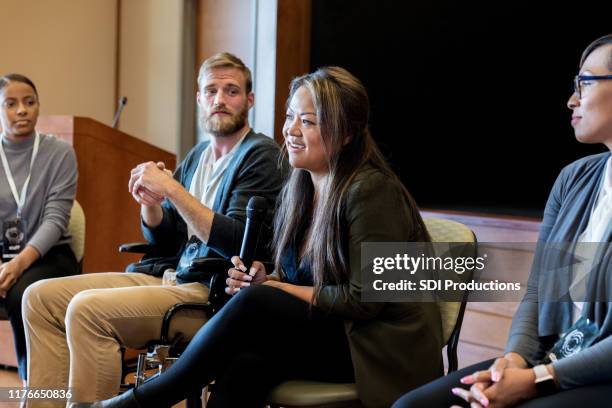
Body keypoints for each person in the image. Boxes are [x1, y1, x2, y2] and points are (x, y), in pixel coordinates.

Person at [76, 66, 444, 408]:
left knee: (257, 304)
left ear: (346, 133)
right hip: (335, 335)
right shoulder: (301, 186)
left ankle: (140, 402)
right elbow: (306, 279)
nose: (291, 130)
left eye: (308, 121)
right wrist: (269, 280)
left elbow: (365, 301)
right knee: (245, 365)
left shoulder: (373, 191)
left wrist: (274, 291)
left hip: (379, 349)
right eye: (289, 117)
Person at [22, 52, 286, 406]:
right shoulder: (197, 156)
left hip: (210, 292)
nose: (219, 100)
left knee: (86, 309)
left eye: (231, 91)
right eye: (210, 91)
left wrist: (172, 190)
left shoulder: (261, 155)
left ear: (250, 100)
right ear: (198, 99)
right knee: (39, 298)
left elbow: (236, 240)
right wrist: (149, 202)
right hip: (168, 275)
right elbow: (165, 238)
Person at [392, 33, 612, 408]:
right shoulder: (574, 179)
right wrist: (511, 361)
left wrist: (537, 379)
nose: (572, 99)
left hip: (596, 372)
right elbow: (540, 290)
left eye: (584, 83)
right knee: (411, 406)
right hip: (554, 357)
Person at [0, 73, 79, 382]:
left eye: (29, 102)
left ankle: (36, 388)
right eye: (11, 104)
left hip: (49, 255)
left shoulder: (59, 153)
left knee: (23, 292)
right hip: (3, 256)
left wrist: (16, 265)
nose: (22, 110)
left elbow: (56, 220)